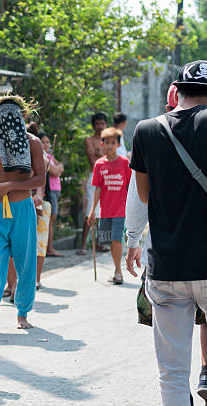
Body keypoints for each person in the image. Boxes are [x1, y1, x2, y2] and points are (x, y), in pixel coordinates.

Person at [126, 61, 207, 405]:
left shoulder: (146, 129)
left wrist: (132, 238)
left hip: (166, 267)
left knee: (172, 373)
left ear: (178, 91)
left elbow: (143, 196)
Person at [0, 95, 46, 330]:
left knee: (25, 262)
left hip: (22, 208)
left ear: (22, 115)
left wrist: (11, 186)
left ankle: (22, 313)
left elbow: (40, 178)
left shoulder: (33, 142)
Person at [87, 127, 131, 284]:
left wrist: (132, 208)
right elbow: (97, 188)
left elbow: (130, 187)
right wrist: (93, 210)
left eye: (114, 143)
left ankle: (119, 272)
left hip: (121, 209)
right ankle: (116, 268)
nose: (110, 146)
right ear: (102, 144)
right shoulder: (99, 164)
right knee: (110, 241)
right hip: (105, 210)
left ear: (119, 145)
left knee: (116, 239)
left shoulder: (125, 163)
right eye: (107, 142)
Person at [77, 112, 107, 255]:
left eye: (102, 123)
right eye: (97, 123)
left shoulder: (109, 140)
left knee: (105, 211)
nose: (100, 126)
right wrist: (103, 157)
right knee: (91, 210)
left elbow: (114, 159)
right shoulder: (89, 140)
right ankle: (83, 245)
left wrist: (100, 156)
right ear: (93, 125)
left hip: (108, 177)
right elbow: (93, 162)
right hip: (94, 178)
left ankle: (100, 243)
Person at [40, 133, 64, 257]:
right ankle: (49, 248)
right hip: (51, 190)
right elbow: (55, 171)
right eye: (43, 142)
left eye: (48, 142)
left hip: (56, 190)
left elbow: (62, 167)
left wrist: (59, 168)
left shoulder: (50, 156)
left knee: (52, 220)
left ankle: (49, 247)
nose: (46, 144)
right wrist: (58, 169)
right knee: (50, 220)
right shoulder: (43, 157)